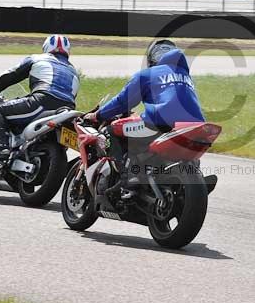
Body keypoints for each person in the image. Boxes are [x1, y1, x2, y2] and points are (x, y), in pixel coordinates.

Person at [84, 39, 205, 198]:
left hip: (159, 124)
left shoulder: (148, 75)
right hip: (193, 126)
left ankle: (126, 178)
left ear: (152, 58)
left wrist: (97, 115)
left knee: (110, 130)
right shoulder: (186, 77)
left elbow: (123, 102)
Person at [0, 34, 79, 161]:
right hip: (67, 109)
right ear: (68, 51)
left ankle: (2, 149)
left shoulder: (37, 58)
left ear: (45, 48)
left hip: (41, 102)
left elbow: (8, 76)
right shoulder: (74, 71)